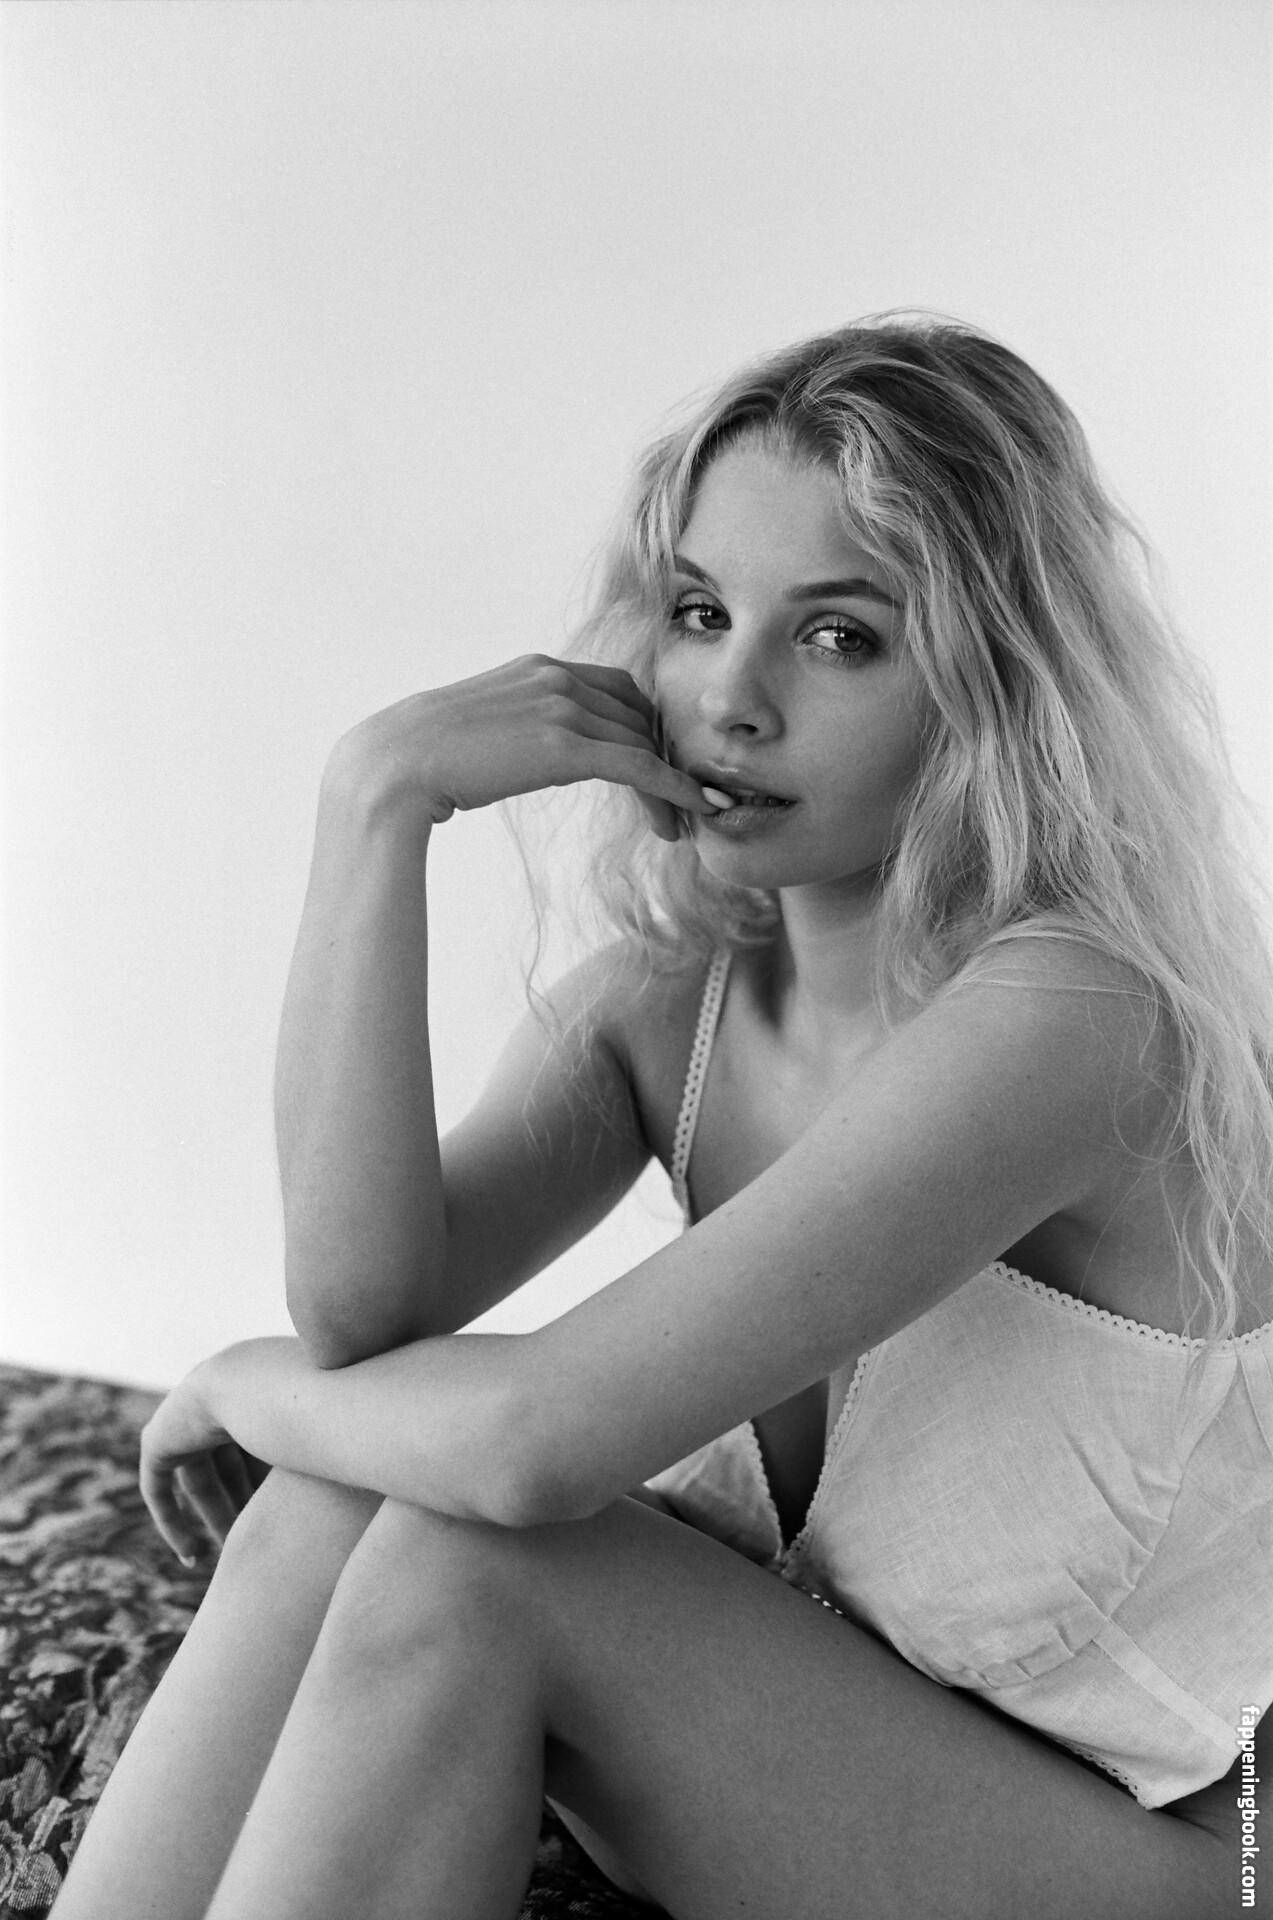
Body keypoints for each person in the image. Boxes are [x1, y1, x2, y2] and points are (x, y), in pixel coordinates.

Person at [51, 315, 1271, 1920]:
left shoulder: (1071, 1013)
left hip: (1165, 1861)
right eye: (698, 613)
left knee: (470, 1552)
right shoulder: (675, 996)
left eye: (839, 637)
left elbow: (534, 1447)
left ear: (993, 680)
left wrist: (234, 1383)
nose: (731, 700)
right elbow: (365, 1314)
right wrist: (375, 805)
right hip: (799, 1756)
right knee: (339, 1498)